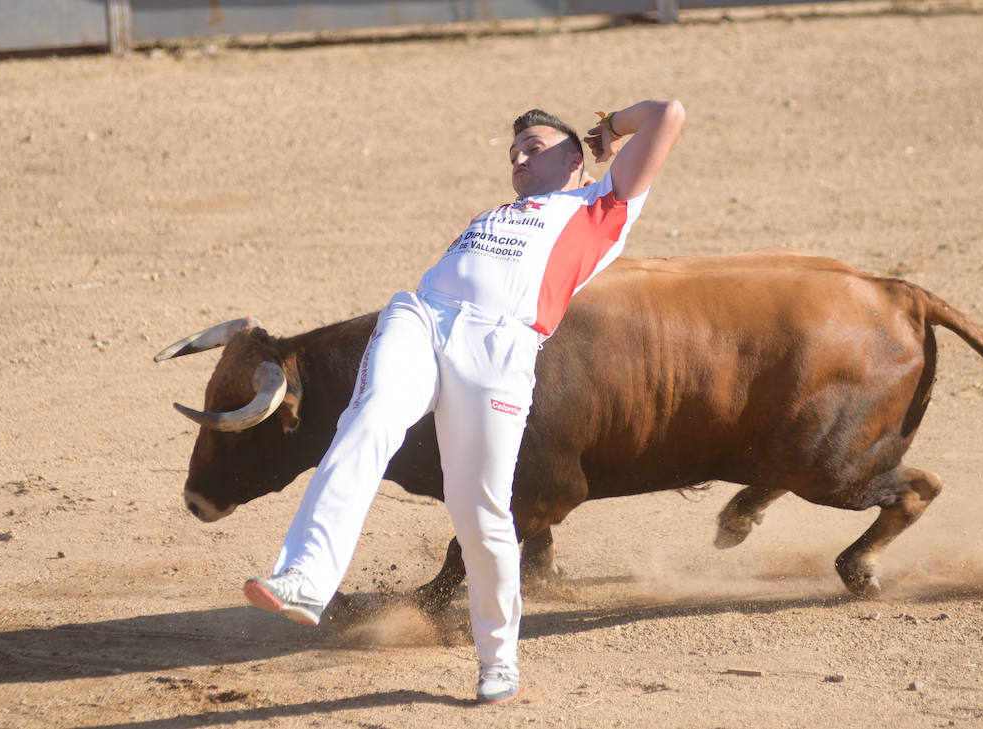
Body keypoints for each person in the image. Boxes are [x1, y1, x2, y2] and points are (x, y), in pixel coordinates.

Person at [242, 99, 685, 704]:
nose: (518, 159)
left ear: (574, 159)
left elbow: (670, 113)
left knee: (479, 511)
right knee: (368, 419)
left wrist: (610, 130)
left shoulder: (602, 203)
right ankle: (306, 578)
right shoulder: (503, 212)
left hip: (502, 347)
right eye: (513, 154)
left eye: (533, 147)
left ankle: (498, 658)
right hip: (422, 317)